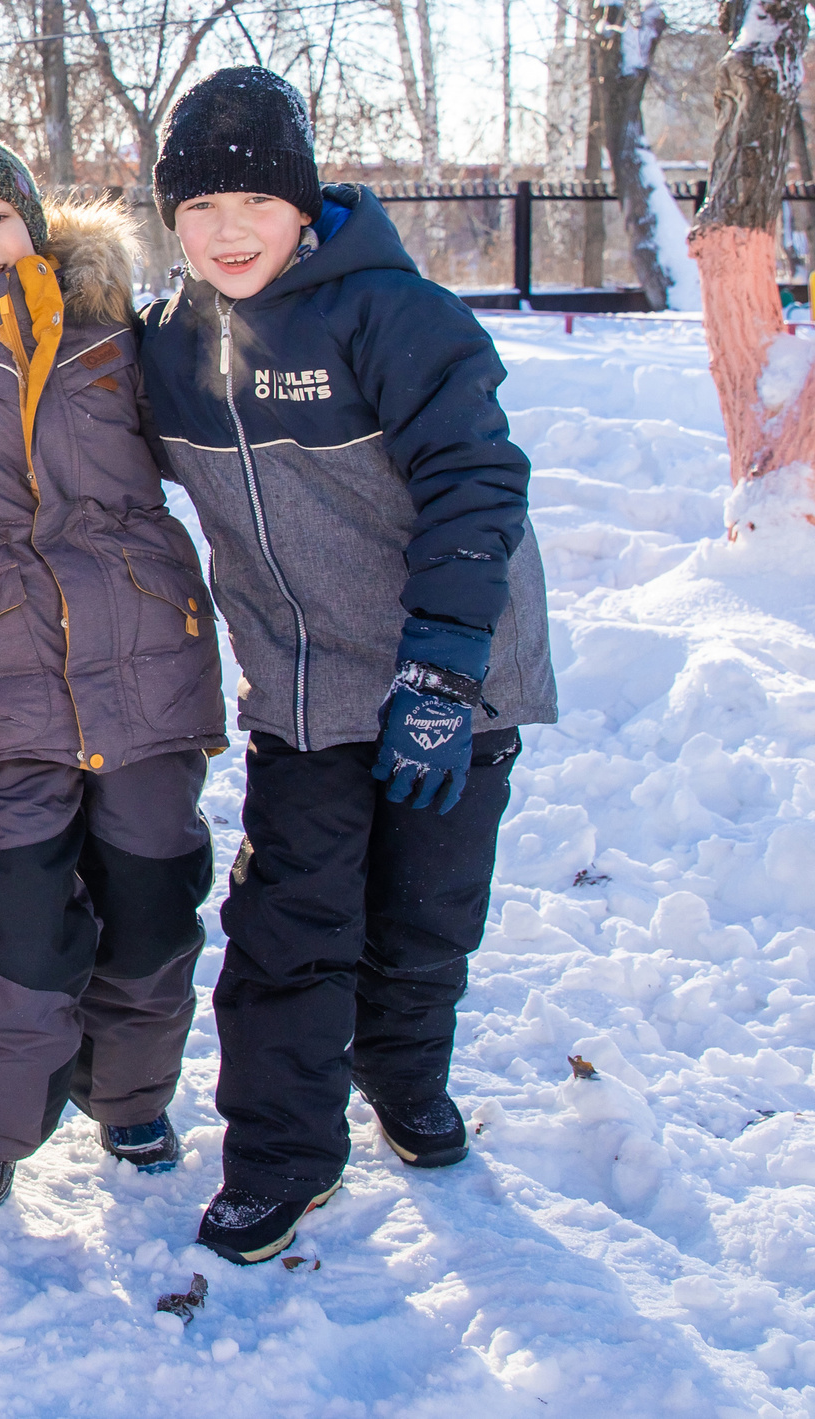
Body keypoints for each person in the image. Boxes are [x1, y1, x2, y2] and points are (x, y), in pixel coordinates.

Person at [135, 66, 557, 1265]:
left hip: (452, 674)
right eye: (199, 207)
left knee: (425, 912)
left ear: (303, 205)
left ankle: (405, 1077)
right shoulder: (169, 351)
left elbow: (476, 489)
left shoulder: (393, 318)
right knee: (289, 922)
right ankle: (282, 1157)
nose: (227, 231)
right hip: (308, 690)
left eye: (254, 205)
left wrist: (440, 681)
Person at [0, 131, 229, 1216]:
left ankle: (131, 1094)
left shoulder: (112, 333)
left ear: (34, 221)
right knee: (16, 900)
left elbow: (217, 431)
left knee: (152, 888)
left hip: (142, 647)